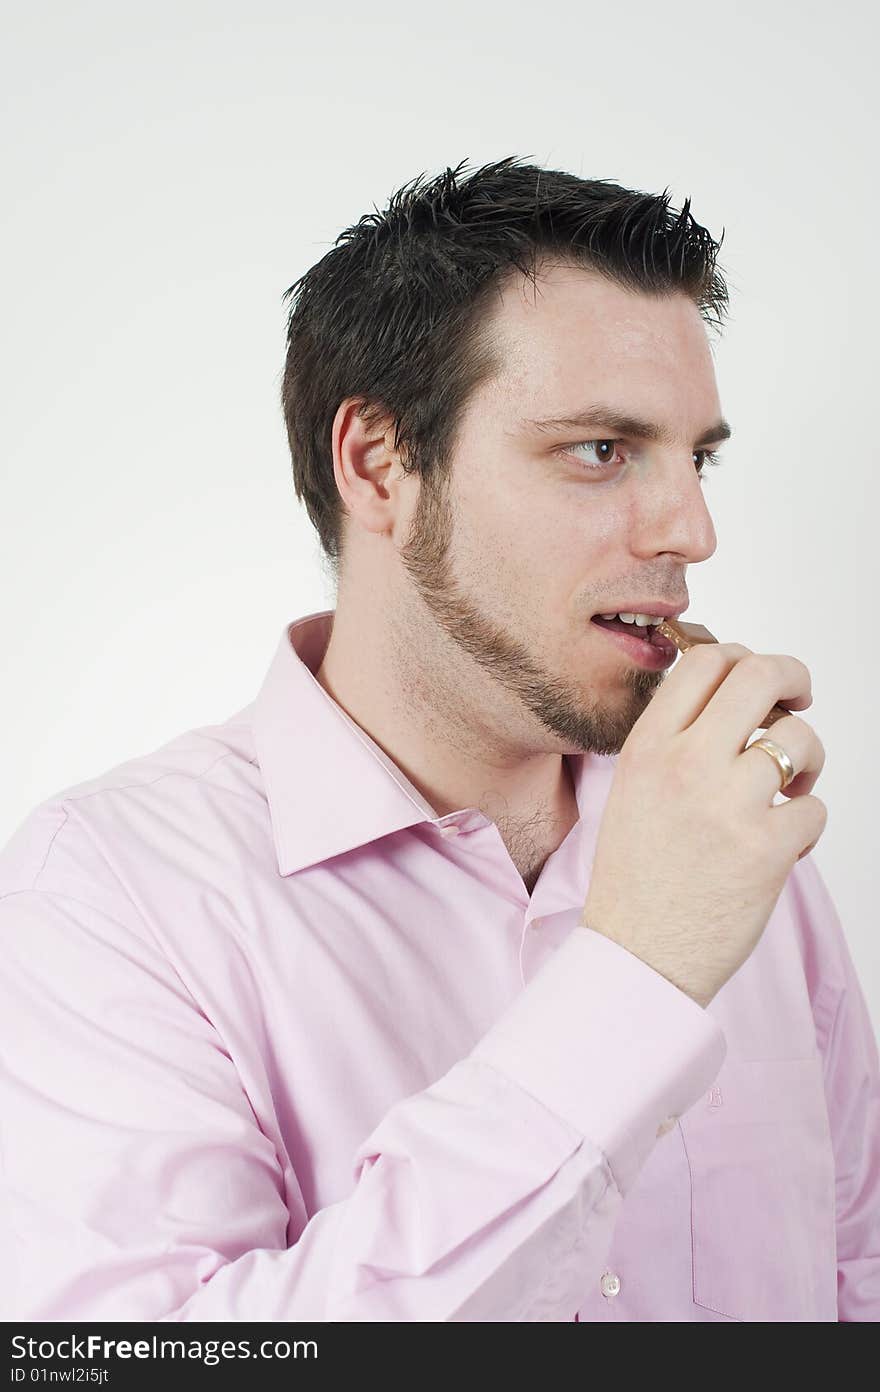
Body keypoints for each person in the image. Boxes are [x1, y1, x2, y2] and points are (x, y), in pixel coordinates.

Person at [1, 156, 877, 1323]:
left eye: (696, 457)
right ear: (377, 464)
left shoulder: (734, 830)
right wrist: (638, 974)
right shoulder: (107, 899)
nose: (692, 528)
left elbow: (855, 1277)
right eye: (600, 450)